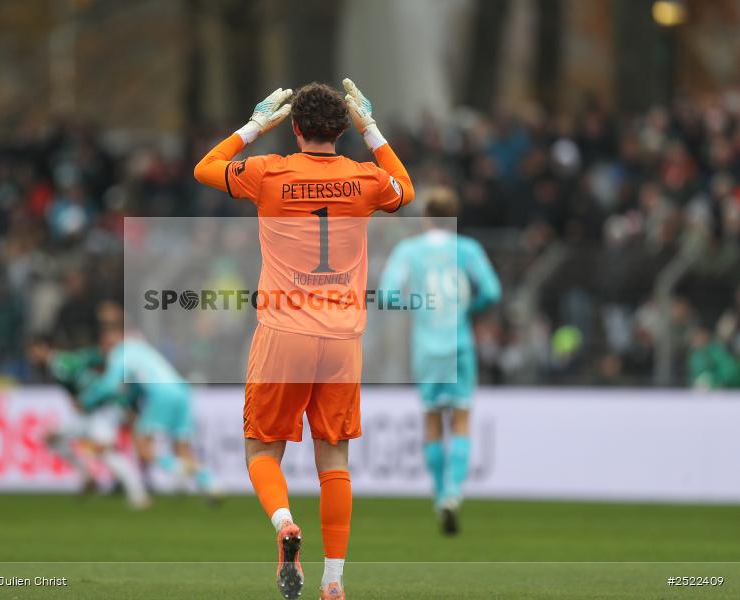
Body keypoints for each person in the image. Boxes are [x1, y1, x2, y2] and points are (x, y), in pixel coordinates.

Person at [194, 80, 414, 599]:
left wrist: (254, 126)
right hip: (341, 339)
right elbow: (405, 188)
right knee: (334, 460)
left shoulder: (269, 172)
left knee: (261, 450)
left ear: (293, 127)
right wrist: (373, 129)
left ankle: (283, 523)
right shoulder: (364, 178)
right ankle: (333, 582)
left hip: (283, 333)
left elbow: (206, 168)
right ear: (341, 130)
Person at [378, 187, 501, 535]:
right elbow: (492, 291)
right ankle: (452, 494)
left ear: (426, 216)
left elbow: (387, 296)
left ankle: (437, 497)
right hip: (459, 343)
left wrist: (415, 308)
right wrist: (467, 311)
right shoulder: (468, 249)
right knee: (461, 418)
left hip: (427, 347)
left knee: (432, 420)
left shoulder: (409, 250)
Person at [82, 323, 219, 503]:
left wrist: (87, 399)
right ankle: (210, 482)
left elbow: (109, 385)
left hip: (162, 394)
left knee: (143, 447)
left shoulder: (120, 353)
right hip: (182, 391)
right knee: (181, 446)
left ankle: (178, 467)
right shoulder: (142, 347)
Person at [27, 335, 149, 509]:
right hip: (87, 415)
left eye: (33, 351)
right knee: (51, 437)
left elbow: (86, 374)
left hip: (101, 411)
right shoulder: (60, 364)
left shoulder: (60, 364)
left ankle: (139, 496)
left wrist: (86, 400)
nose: (31, 357)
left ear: (43, 347)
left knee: (105, 452)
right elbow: (89, 358)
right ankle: (86, 475)